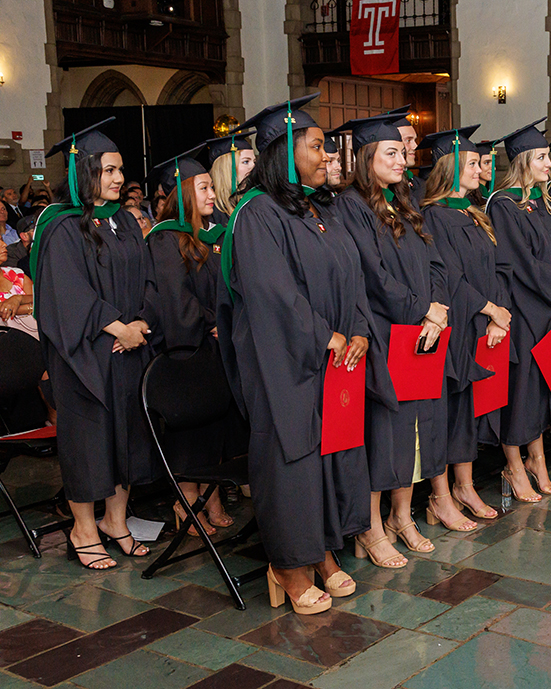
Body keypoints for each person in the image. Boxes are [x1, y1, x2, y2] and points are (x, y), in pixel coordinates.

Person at [221, 94, 373, 613]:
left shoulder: (313, 209)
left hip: (331, 357)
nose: (326, 156)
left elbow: (351, 275)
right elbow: (272, 292)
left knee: (329, 453)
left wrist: (356, 329)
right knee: (294, 455)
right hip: (282, 361)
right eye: (316, 146)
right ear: (283, 152)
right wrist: (322, 335)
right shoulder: (257, 215)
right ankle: (288, 563)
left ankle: (323, 548)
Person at [31, 118, 158, 570]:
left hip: (127, 353)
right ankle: (83, 528)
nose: (119, 178)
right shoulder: (64, 227)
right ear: (84, 172)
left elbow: (148, 277)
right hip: (83, 354)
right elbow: (65, 293)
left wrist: (142, 320)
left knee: (126, 435)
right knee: (88, 441)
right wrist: (115, 326)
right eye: (108, 171)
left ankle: (115, 521)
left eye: (120, 169)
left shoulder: (124, 220)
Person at [334, 112, 449, 566]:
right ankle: (371, 528)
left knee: (415, 429)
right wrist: (422, 309)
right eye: (392, 153)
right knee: (384, 432)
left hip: (423, 331)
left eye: (403, 152)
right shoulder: (350, 206)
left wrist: (437, 311)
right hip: (384, 332)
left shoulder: (405, 201)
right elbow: (372, 276)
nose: (404, 160)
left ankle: (403, 516)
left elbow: (436, 262)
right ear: (367, 158)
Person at [418, 126, 510, 520]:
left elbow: (498, 267)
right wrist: (489, 309)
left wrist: (497, 316)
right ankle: (441, 495)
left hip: (484, 324)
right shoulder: (434, 216)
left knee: (471, 411)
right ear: (451, 167)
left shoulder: (474, 213)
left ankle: (465, 486)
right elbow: (449, 276)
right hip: (457, 325)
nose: (480, 170)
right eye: (473, 163)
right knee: (450, 412)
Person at [487, 118, 551, 499]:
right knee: (521, 392)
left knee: (542, 392)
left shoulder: (546, 204)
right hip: (524, 310)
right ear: (523, 160)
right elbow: (521, 264)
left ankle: (537, 459)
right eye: (542, 157)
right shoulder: (504, 205)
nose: (549, 164)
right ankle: (513, 465)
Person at [147, 145, 235, 537]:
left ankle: (211, 494)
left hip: (215, 345)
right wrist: (212, 324)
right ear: (182, 193)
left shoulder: (211, 236)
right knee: (189, 429)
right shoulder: (166, 240)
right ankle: (186, 500)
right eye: (203, 188)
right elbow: (175, 299)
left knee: (216, 424)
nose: (212, 195)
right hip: (186, 352)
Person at [207, 130, 256, 226]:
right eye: (246, 162)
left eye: (254, 161)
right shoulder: (211, 210)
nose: (253, 167)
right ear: (227, 167)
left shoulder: (256, 200)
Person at [385, 105, 425, 205]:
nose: (415, 146)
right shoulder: (384, 188)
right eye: (408, 140)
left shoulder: (420, 185)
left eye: (414, 140)